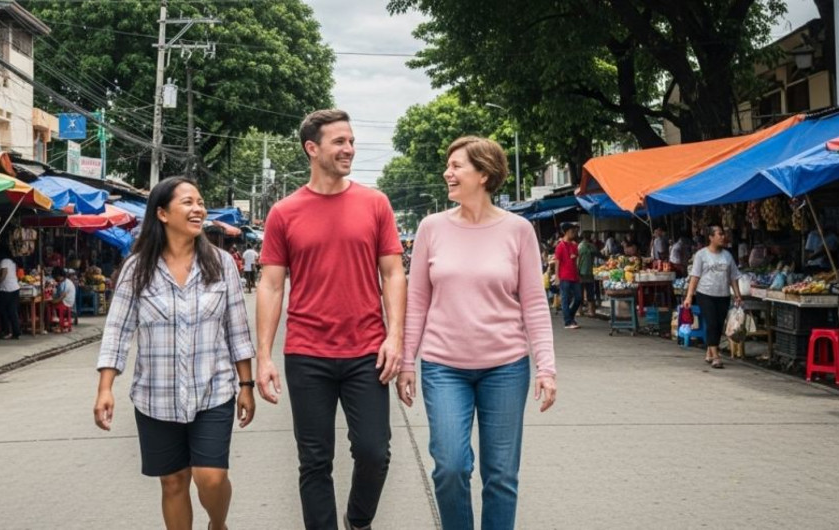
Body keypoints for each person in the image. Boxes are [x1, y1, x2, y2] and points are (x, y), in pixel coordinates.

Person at [255, 109, 407, 530]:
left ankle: (358, 521)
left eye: (351, 141)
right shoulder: (284, 213)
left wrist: (395, 337)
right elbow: (270, 285)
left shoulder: (375, 203)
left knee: (375, 451)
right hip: (307, 353)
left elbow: (393, 273)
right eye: (339, 142)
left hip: (366, 351)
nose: (349, 149)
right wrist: (264, 356)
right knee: (315, 461)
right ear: (312, 148)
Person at [397, 136, 556, 530]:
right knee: (450, 466)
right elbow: (416, 300)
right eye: (448, 166)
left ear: (483, 174)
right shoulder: (431, 228)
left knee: (501, 475)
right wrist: (406, 362)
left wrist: (547, 368)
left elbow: (534, 303)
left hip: (506, 367)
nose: (447, 173)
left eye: (456, 166)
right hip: (443, 366)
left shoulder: (518, 230)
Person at [94, 176, 256, 530]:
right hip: (156, 396)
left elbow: (237, 330)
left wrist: (247, 384)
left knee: (210, 478)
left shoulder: (221, 264)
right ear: (163, 214)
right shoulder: (137, 270)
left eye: (200, 202)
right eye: (188, 202)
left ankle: (218, 523)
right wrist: (105, 387)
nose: (198, 209)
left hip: (213, 391)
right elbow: (118, 331)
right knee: (173, 482)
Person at [682, 225, 743, 369]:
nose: (722, 237)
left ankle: (710, 351)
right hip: (705, 294)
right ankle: (716, 356)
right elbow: (695, 277)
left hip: (723, 294)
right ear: (711, 237)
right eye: (719, 234)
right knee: (711, 323)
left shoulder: (727, 256)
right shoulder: (701, 255)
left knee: (719, 324)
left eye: (723, 234)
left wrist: (737, 295)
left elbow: (733, 277)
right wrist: (689, 296)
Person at [553, 222, 581, 330]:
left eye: (574, 231)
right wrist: (557, 276)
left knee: (578, 298)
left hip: (574, 276)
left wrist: (578, 273)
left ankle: (570, 316)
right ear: (566, 232)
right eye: (572, 231)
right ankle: (568, 322)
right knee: (565, 299)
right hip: (564, 276)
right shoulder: (560, 246)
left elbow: (576, 260)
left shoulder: (574, 245)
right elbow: (557, 262)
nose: (573, 233)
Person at [0, 247, 21, 340]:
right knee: (12, 311)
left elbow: (3, 275)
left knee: (3, 311)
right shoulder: (12, 262)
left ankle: (7, 331)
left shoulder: (4, 261)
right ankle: (16, 332)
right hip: (15, 288)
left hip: (7, 289)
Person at [577, 230, 600, 316]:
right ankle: (591, 311)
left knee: (579, 292)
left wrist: (576, 270)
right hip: (590, 272)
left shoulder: (579, 247)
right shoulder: (592, 246)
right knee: (590, 292)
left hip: (581, 273)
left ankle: (579, 311)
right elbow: (598, 254)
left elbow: (578, 260)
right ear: (589, 237)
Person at [48, 267, 76, 331]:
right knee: (50, 303)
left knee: (49, 306)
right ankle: (55, 322)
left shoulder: (66, 283)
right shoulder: (64, 282)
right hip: (66, 300)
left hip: (66, 302)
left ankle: (53, 322)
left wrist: (54, 301)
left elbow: (62, 296)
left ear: (59, 276)